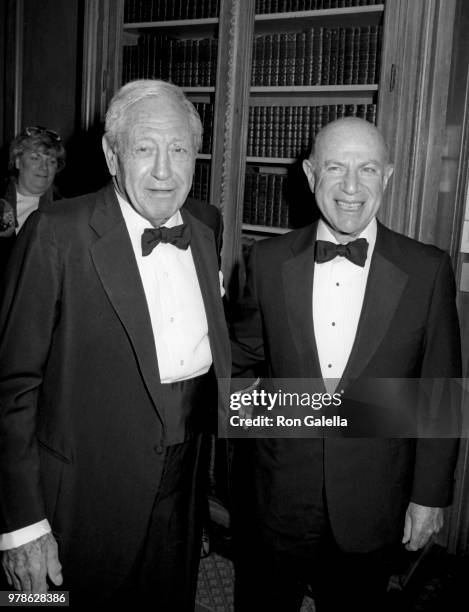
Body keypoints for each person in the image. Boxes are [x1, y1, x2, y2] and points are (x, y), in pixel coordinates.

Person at [0, 79, 230, 609]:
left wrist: (349, 409)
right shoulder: (54, 232)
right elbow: (11, 388)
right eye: (145, 149)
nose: (163, 171)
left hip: (183, 483)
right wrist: (21, 524)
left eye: (178, 150)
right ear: (111, 153)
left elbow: (214, 355)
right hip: (76, 499)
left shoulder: (206, 226)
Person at [230, 117, 461, 611]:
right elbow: (243, 365)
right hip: (277, 498)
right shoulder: (266, 261)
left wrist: (429, 497)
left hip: (374, 501)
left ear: (389, 176)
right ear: (311, 175)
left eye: (368, 169)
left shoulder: (427, 269)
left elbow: (440, 392)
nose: (351, 187)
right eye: (335, 167)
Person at [0, 126, 65, 281]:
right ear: (17, 162)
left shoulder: (65, 209)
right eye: (35, 158)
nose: (44, 167)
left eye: (51, 161)